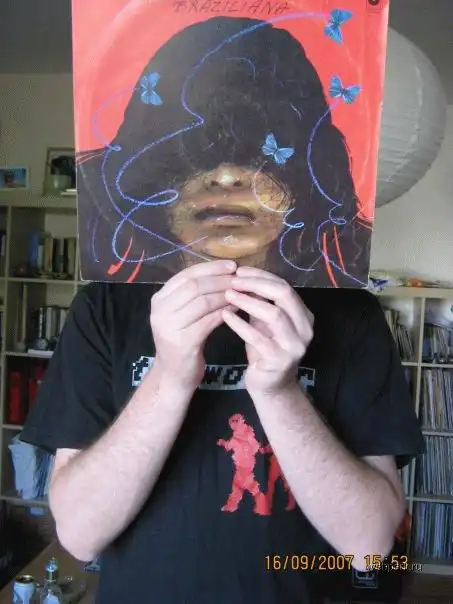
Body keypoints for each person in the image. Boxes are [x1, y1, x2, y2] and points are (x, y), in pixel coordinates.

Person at [21, 259, 425, 603]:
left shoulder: (352, 312)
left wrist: (281, 392)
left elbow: (369, 545)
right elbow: (80, 535)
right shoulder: (103, 304)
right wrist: (169, 377)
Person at [77, 16, 370, 286]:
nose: (227, 178)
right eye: (194, 155)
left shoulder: (356, 311)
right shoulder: (101, 308)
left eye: (260, 156)